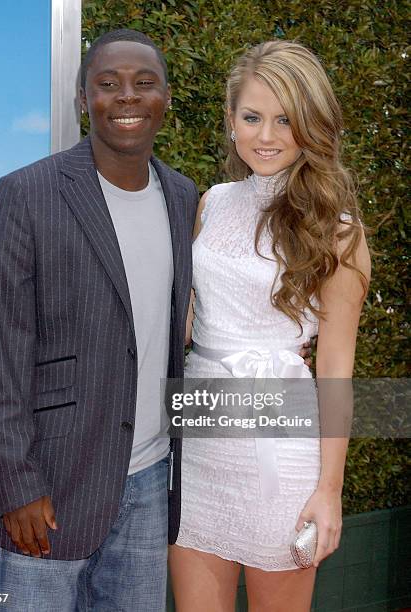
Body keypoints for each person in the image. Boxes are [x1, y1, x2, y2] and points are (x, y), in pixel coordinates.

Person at [0, 29, 199, 611]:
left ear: (166, 98)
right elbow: (1, 353)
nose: (127, 97)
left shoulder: (182, 196)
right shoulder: (27, 193)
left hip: (149, 480)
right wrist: (17, 485)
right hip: (48, 491)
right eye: (107, 83)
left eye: (144, 84)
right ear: (82, 99)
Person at [169, 40, 371, 612]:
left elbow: (335, 369)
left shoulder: (340, 230)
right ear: (230, 119)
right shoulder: (210, 202)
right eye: (252, 117)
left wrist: (328, 492)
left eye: (285, 120)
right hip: (200, 438)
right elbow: (181, 322)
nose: (266, 135)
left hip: (281, 449)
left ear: (312, 124)